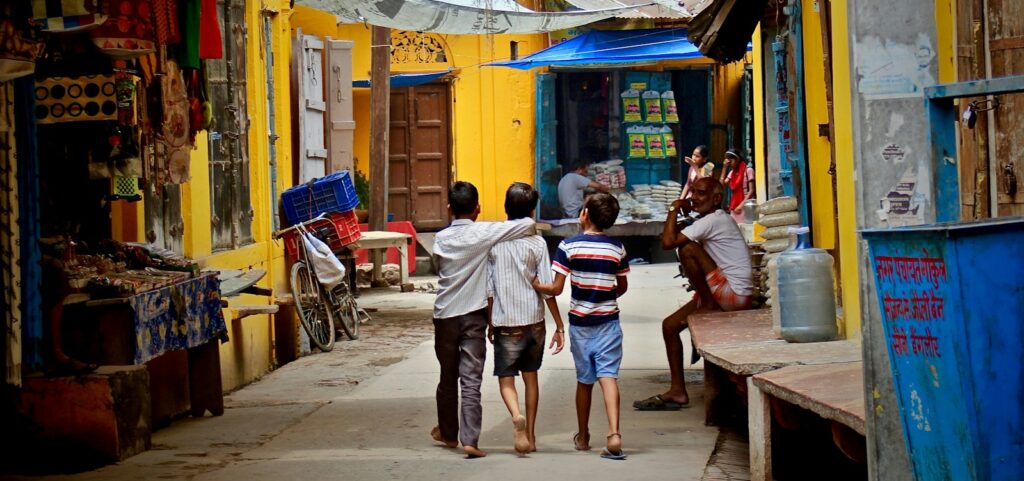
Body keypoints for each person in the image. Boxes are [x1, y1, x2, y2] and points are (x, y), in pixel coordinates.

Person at [430, 181, 537, 459]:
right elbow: (527, 226)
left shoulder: (440, 239)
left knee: (447, 376)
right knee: (471, 379)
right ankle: (470, 440)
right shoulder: (485, 233)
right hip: (474, 317)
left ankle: (448, 432)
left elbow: (438, 265)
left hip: (444, 316)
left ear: (449, 209)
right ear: (477, 208)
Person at [634, 178, 753, 411]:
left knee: (687, 249)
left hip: (732, 295)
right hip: (723, 291)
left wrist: (674, 208)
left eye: (700, 194)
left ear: (716, 198)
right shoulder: (709, 220)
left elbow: (669, 242)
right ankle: (678, 390)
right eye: (694, 193)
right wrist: (677, 215)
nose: (694, 198)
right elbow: (670, 233)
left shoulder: (715, 220)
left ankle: (708, 304)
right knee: (669, 326)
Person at [532, 193, 630, 460]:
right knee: (608, 377)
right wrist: (603, 297)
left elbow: (555, 287)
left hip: (580, 325)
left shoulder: (568, 246)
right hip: (609, 322)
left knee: (584, 381)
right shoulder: (617, 248)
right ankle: (614, 434)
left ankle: (583, 435)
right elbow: (621, 286)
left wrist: (536, 285)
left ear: (584, 214)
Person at [486, 182, 566, 455]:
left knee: (506, 378)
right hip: (534, 321)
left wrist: (489, 321)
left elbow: (489, 290)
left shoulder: (494, 244)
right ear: (532, 211)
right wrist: (559, 324)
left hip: (505, 320)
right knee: (531, 378)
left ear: (506, 208)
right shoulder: (537, 243)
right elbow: (546, 287)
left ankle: (515, 415)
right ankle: (530, 435)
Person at [719, 150, 755, 224]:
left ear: (737, 159)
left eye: (731, 159)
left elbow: (751, 191)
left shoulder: (748, 170)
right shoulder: (732, 173)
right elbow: (721, 185)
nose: (729, 162)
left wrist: (741, 206)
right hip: (734, 206)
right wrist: (724, 168)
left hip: (746, 205)